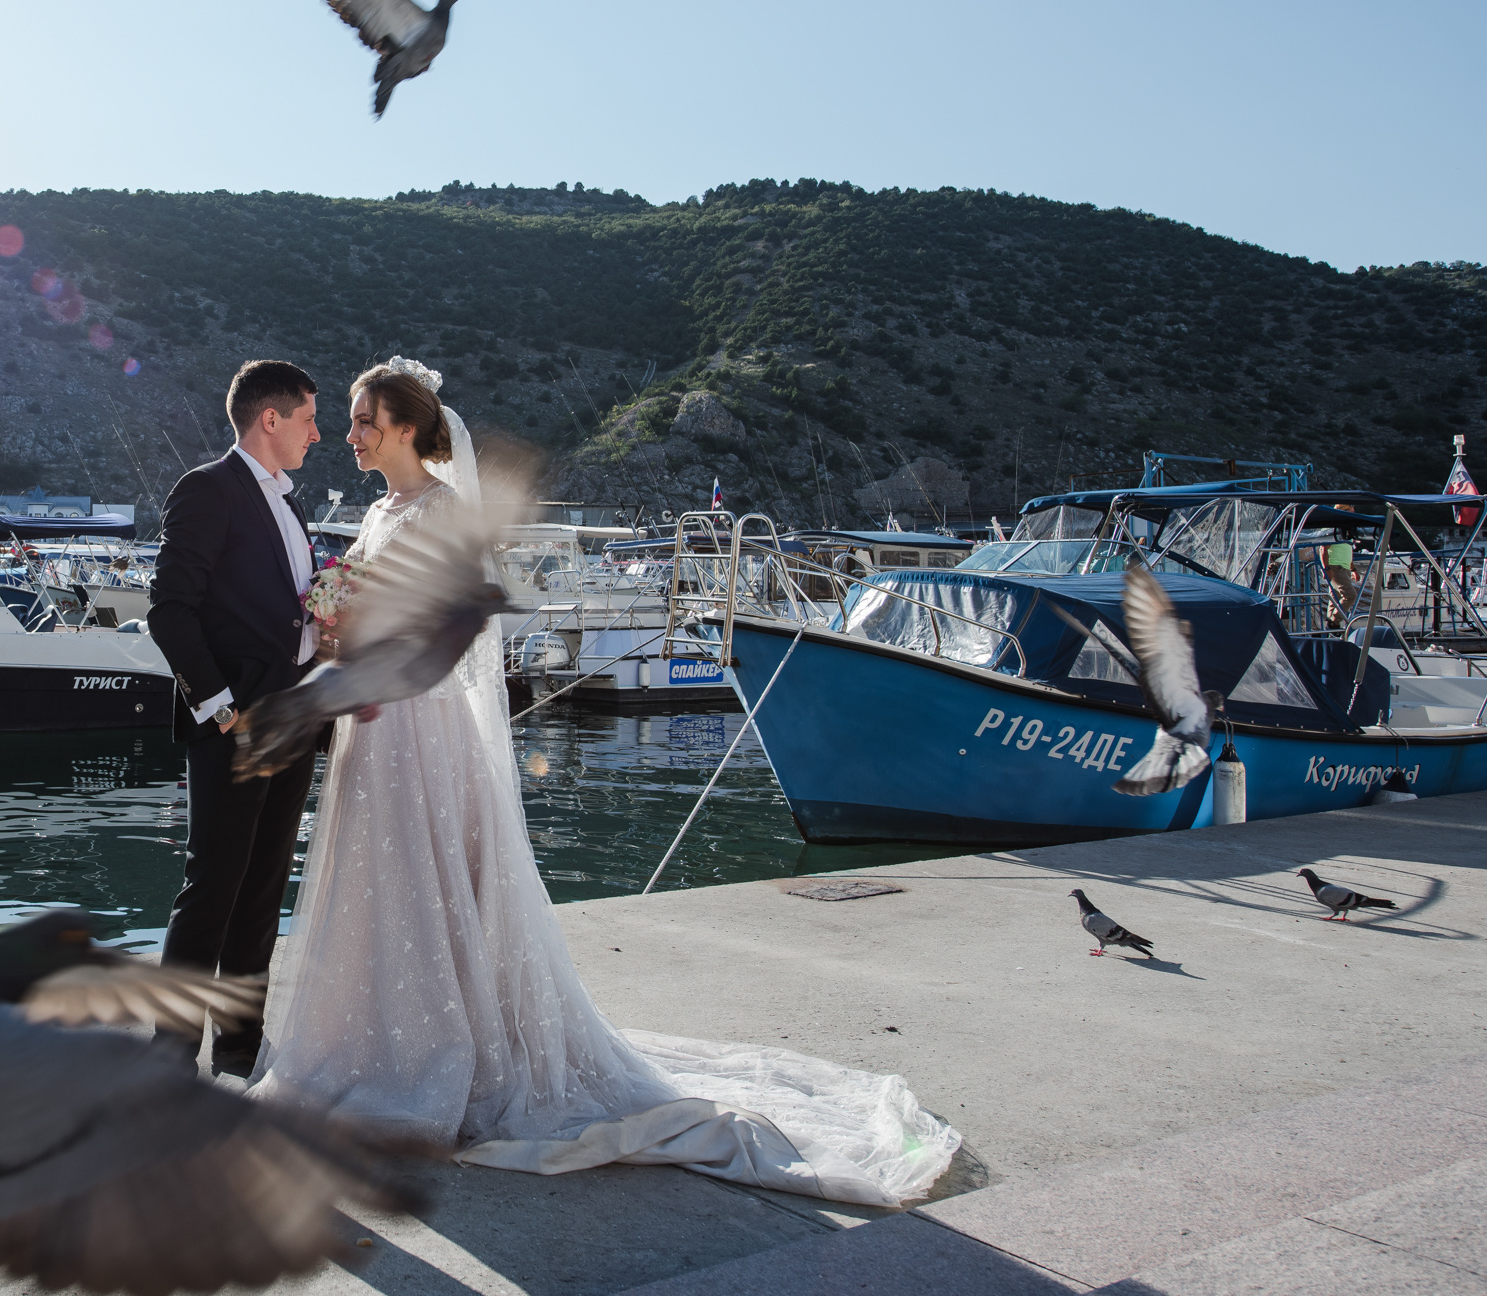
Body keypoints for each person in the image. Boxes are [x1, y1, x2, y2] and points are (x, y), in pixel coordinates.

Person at [247, 358, 960, 1209]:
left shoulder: (444, 510)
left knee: (427, 876)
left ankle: (435, 1051)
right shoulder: (378, 511)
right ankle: (373, 1043)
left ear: (404, 427)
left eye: (364, 419)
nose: (351, 434)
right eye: (352, 419)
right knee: (380, 882)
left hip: (421, 727)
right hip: (374, 729)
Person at [145, 359, 323, 1077]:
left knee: (262, 894)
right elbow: (169, 610)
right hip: (235, 725)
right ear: (270, 419)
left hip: (295, 721)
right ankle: (169, 1058)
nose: (318, 433)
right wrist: (220, 708)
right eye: (308, 418)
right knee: (212, 891)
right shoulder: (208, 489)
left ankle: (239, 1053)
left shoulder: (291, 504)